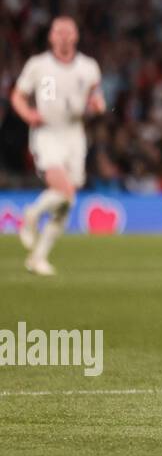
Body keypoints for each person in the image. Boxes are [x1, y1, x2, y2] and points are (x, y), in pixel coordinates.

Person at [10, 16, 105, 276]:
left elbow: (96, 98)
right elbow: (17, 95)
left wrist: (97, 106)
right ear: (51, 37)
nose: (63, 35)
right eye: (58, 31)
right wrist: (28, 114)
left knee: (67, 201)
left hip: (74, 134)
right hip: (47, 133)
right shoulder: (38, 65)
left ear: (75, 36)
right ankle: (31, 214)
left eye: (68, 31)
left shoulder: (88, 67)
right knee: (63, 189)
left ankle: (38, 258)